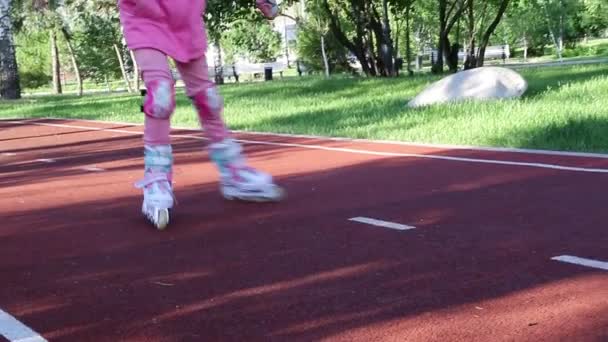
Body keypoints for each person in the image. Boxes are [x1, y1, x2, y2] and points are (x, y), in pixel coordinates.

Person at [118, 0, 283, 230]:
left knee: (208, 99)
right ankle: (156, 178)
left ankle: (233, 172)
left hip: (186, 18)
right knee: (160, 95)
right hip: (144, 16)